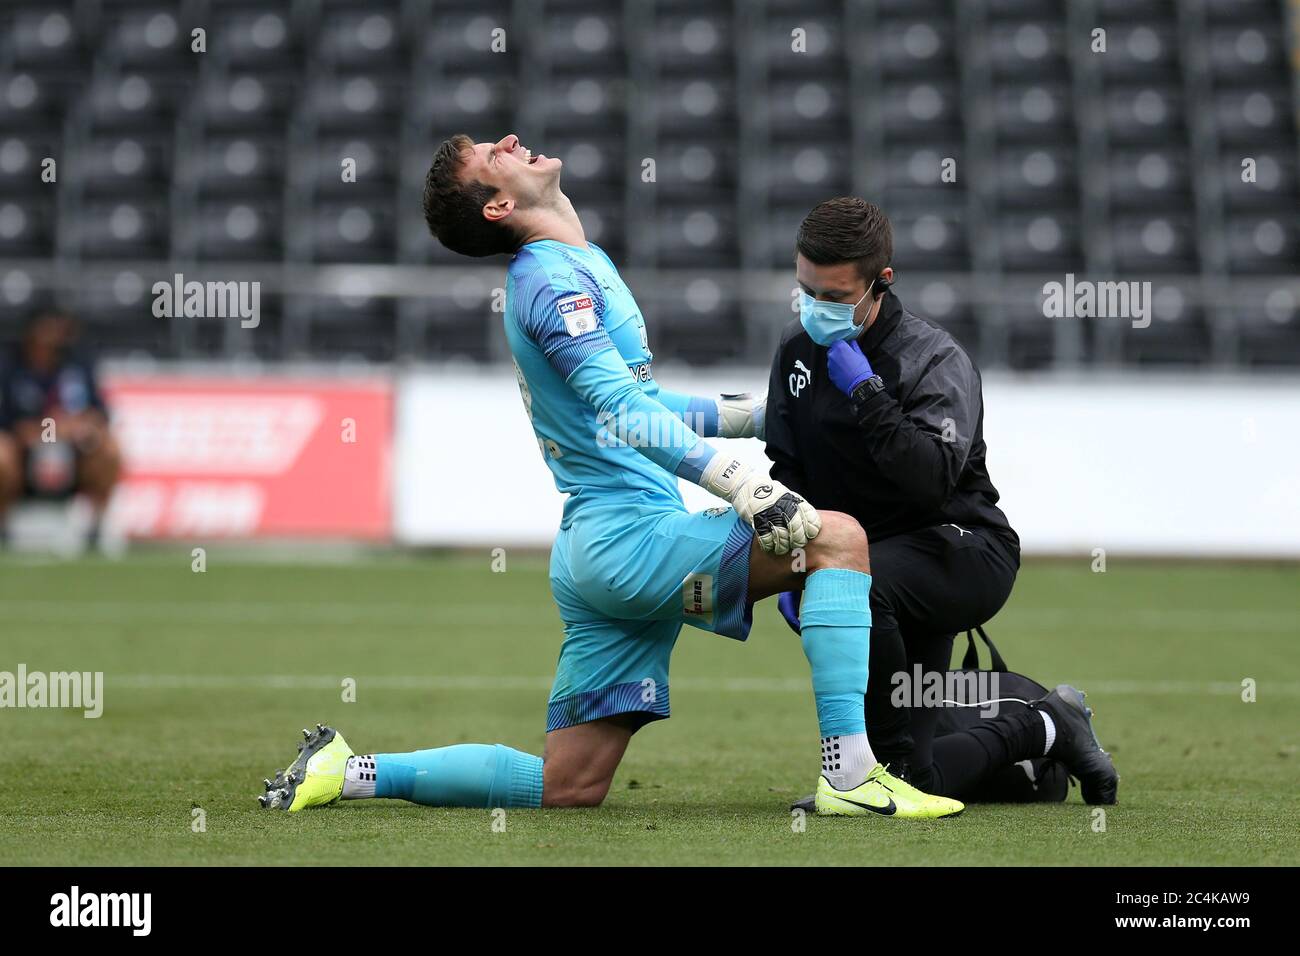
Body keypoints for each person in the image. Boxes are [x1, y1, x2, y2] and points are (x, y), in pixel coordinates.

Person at [258, 136, 963, 819]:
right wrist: (747, 485)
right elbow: (623, 412)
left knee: (568, 785)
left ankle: (347, 773)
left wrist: (759, 416)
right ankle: (851, 775)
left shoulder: (574, 262)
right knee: (837, 539)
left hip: (598, 553)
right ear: (498, 207)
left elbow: (637, 399)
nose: (511, 141)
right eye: (494, 156)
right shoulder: (550, 280)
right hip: (632, 543)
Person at [766, 197, 1118, 804]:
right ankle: (1046, 725)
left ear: (881, 284)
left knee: (856, 587)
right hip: (881, 562)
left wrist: (868, 394)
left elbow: (931, 481)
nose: (816, 310)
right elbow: (790, 470)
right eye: (806, 292)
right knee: (919, 778)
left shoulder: (933, 359)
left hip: (961, 549)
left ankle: (872, 781)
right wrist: (799, 558)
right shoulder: (796, 353)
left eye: (834, 297)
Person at [0, 312, 122, 550]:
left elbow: (101, 413)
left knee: (110, 449)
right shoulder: (9, 367)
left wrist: (80, 426)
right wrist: (36, 430)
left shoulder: (78, 366)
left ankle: (96, 528)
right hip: (24, 454)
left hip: (74, 454)